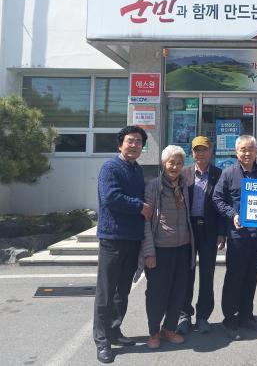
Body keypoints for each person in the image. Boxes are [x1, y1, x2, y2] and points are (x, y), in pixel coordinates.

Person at [93, 126, 152, 364]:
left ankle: (114, 330)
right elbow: (111, 197)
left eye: (138, 142)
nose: (134, 145)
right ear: (120, 144)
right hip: (112, 238)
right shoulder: (110, 167)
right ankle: (102, 341)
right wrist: (140, 206)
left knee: (122, 291)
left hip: (132, 238)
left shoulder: (137, 169)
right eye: (130, 141)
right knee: (106, 292)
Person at [213, 135, 257, 341]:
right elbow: (217, 198)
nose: (247, 153)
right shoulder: (228, 173)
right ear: (236, 152)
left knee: (251, 276)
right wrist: (233, 215)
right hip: (238, 235)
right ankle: (229, 319)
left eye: (251, 149)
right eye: (243, 149)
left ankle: (246, 315)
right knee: (234, 277)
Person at [141, 145, 195, 349]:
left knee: (178, 292)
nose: (175, 166)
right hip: (160, 249)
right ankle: (154, 332)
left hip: (183, 248)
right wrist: (149, 252)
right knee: (157, 293)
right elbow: (146, 221)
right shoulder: (153, 186)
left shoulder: (184, 185)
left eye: (179, 163)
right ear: (164, 163)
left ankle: (169, 329)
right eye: (171, 162)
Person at [177, 136, 225, 335]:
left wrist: (222, 232)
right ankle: (184, 314)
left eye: (204, 149)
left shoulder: (219, 174)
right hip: (187, 230)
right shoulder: (183, 173)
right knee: (185, 274)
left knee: (207, 274)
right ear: (192, 152)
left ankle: (203, 316)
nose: (200, 153)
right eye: (197, 150)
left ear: (211, 151)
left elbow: (223, 205)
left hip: (209, 230)